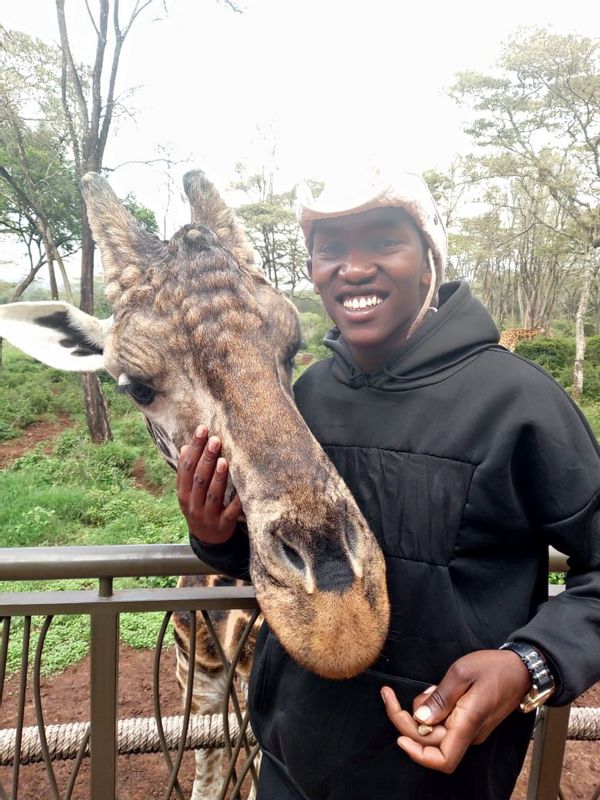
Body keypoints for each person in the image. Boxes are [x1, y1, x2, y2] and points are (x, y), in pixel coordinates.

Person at [176, 169, 600, 800]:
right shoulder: (307, 396)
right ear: (313, 269)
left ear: (429, 255)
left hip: (444, 768)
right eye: (330, 249)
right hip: (292, 763)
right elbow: (291, 552)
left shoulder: (518, 402)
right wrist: (217, 538)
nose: (353, 268)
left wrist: (527, 665)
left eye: (382, 242)